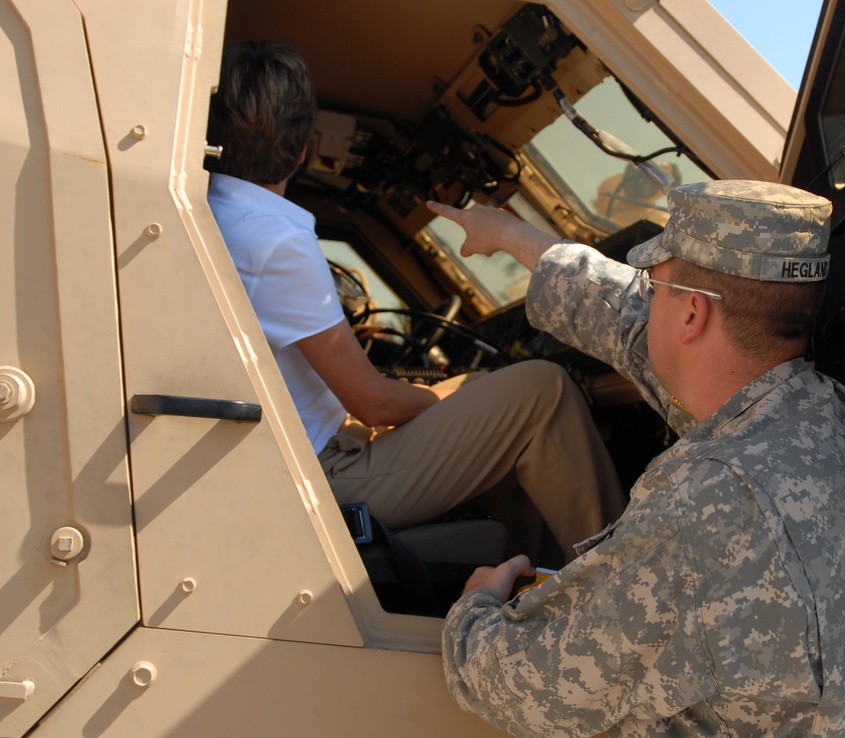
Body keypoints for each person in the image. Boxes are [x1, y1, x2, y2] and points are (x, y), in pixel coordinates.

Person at [428, 180, 845, 736]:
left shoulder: (711, 505)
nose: (644, 298)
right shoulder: (826, 415)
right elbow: (628, 317)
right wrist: (511, 235)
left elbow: (523, 688)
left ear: (692, 316)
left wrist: (474, 607)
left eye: (655, 285)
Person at [204, 41, 625, 562]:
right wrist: (429, 405)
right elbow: (373, 404)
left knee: (473, 387)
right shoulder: (275, 238)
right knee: (545, 388)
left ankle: (532, 575)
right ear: (301, 151)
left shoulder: (212, 211)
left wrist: (438, 401)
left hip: (295, 449)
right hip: (319, 472)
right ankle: (626, 576)